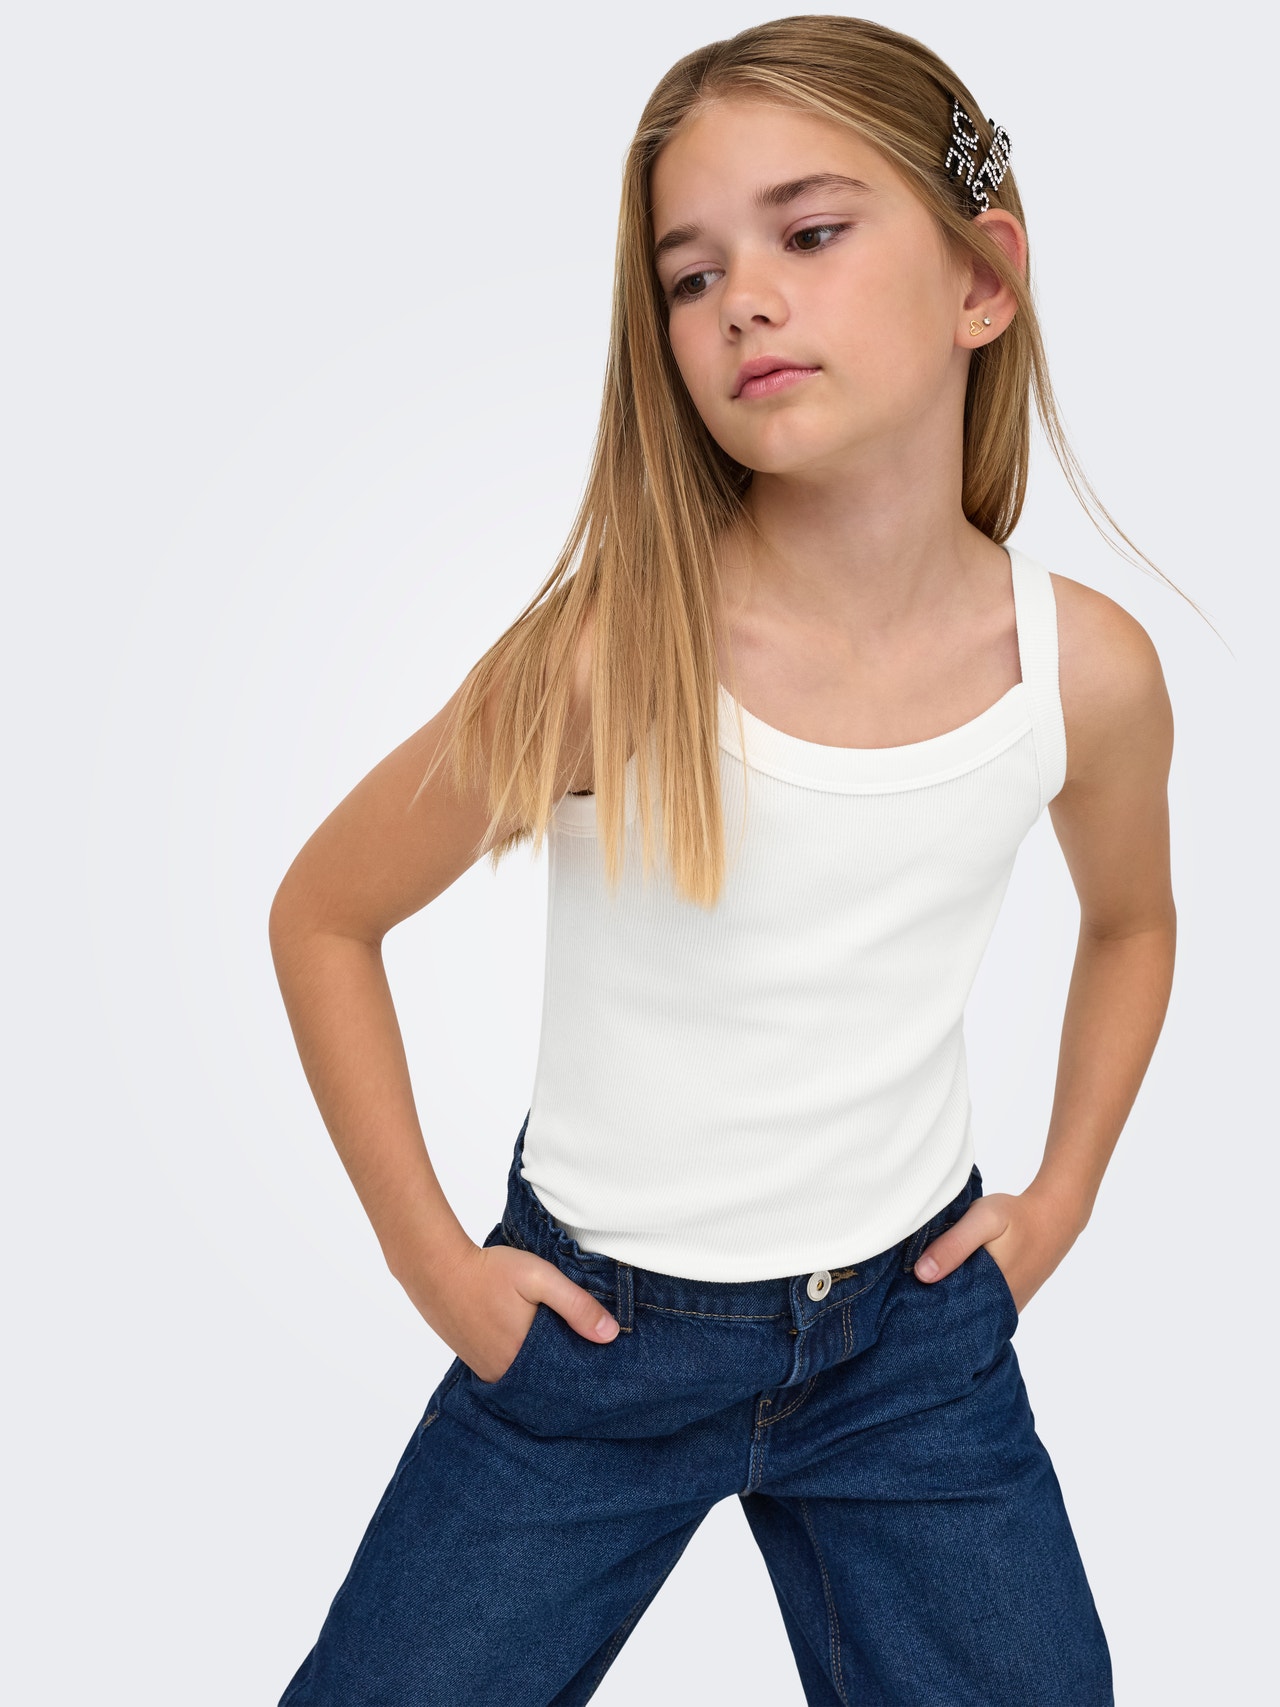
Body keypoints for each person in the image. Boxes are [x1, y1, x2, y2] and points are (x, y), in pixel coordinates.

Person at [270, 15, 1182, 1704]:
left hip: (909, 1355)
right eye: (691, 277)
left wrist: (1061, 1197)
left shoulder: (1089, 672)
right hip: (595, 1350)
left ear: (984, 281)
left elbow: (1133, 924)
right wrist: (439, 1272)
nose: (743, 300)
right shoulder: (614, 655)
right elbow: (325, 916)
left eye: (809, 233)